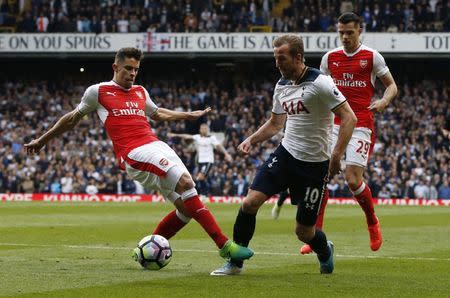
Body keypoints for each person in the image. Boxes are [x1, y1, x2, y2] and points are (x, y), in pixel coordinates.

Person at [24, 47, 253, 267]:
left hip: (156, 145)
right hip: (133, 152)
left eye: (136, 69)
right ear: (115, 66)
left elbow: (157, 113)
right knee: (186, 183)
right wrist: (42, 140)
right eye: (128, 68)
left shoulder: (140, 91)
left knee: (186, 209)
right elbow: (72, 118)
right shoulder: (98, 91)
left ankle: (144, 249)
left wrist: (186, 115)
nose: (132, 73)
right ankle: (225, 246)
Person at [210, 34, 356, 276]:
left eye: (282, 58)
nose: (277, 63)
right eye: (275, 58)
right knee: (249, 203)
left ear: (298, 57)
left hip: (314, 165)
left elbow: (350, 117)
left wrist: (336, 156)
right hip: (286, 155)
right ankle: (235, 263)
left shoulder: (320, 82)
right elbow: (276, 123)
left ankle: (325, 250)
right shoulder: (281, 85)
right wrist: (251, 139)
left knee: (304, 232)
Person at [299, 12, 398, 255]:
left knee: (353, 180)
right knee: (320, 177)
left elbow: (392, 86)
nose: (344, 37)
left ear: (359, 31)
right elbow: (318, 89)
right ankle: (315, 235)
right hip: (331, 123)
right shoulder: (329, 58)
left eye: (349, 33)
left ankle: (372, 221)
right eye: (341, 33)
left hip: (361, 124)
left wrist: (384, 101)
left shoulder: (371, 57)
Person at [168, 123, 232, 194]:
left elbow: (219, 146)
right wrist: (175, 135)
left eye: (205, 129)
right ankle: (206, 193)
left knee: (200, 177)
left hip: (208, 161)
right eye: (202, 129)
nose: (204, 130)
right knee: (201, 178)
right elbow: (187, 136)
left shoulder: (211, 138)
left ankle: (205, 193)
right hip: (200, 161)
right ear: (200, 130)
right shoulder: (198, 137)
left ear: (208, 129)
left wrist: (226, 153)